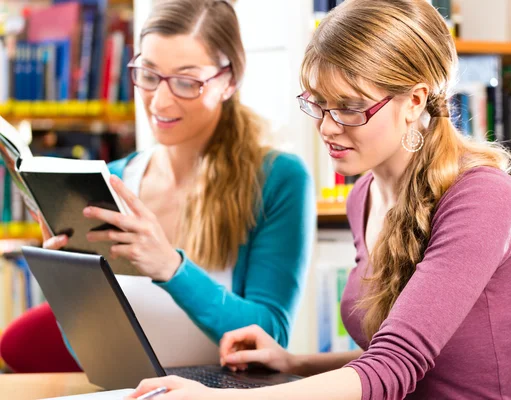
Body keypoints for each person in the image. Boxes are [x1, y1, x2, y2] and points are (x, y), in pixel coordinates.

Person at [126, 0, 511, 399]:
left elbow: (396, 367)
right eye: (318, 104)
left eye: (350, 108)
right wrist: (293, 363)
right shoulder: (365, 195)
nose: (327, 127)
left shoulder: (481, 197)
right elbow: (395, 357)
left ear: (413, 101)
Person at [0, 0, 315, 373]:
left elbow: (271, 339)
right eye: (148, 75)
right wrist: (69, 281)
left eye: (186, 82)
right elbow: (93, 354)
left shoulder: (278, 179)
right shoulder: (112, 181)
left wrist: (171, 268)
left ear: (230, 80)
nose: (160, 101)